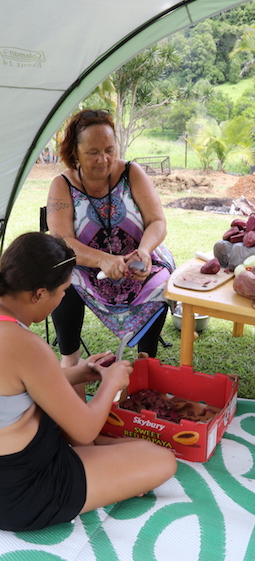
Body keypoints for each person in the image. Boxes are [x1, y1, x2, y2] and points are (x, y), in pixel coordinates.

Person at [0, 232, 177, 532]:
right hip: (24, 491)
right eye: (63, 291)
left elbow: (16, 387)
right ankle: (114, 468)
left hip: (16, 468)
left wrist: (81, 373)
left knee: (103, 435)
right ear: (39, 293)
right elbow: (84, 429)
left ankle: (109, 462)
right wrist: (112, 383)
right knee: (162, 460)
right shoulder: (24, 345)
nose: (62, 299)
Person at [46, 108, 175, 371]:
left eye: (109, 149)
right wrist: (103, 260)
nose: (103, 159)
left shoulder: (132, 173)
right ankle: (70, 360)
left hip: (138, 262)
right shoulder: (62, 184)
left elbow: (157, 221)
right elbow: (61, 241)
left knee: (160, 283)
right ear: (75, 153)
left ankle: (146, 361)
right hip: (87, 267)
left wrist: (144, 251)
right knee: (64, 278)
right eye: (93, 152)